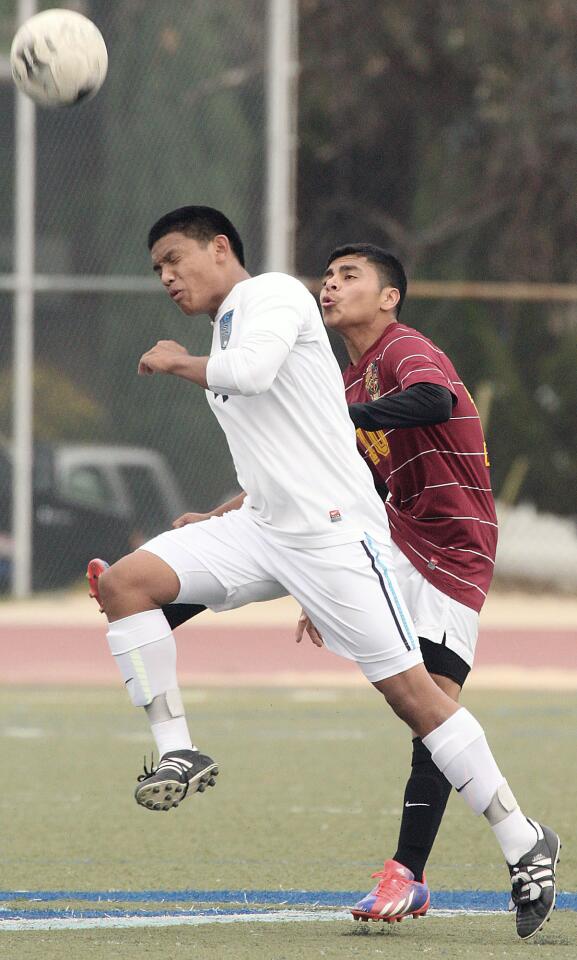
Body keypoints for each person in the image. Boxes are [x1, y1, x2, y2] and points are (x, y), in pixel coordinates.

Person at [91, 205, 558, 941]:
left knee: (417, 698)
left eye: (174, 258)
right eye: (156, 269)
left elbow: (252, 375)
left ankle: (519, 835)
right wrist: (216, 519)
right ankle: (177, 748)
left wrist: (174, 361)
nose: (166, 276)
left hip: (340, 540)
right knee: (125, 584)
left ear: (221, 249)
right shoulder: (233, 327)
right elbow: (291, 444)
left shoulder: (272, 294)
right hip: (269, 528)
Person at [297, 243, 497, 921]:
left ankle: (413, 872)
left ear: (388, 296)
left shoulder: (401, 348)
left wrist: (344, 420)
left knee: (433, 713)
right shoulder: (349, 383)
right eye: (325, 277)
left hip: (454, 549)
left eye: (347, 276)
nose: (329, 286)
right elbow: (357, 485)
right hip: (400, 539)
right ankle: (153, 601)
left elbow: (434, 397)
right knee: (422, 711)